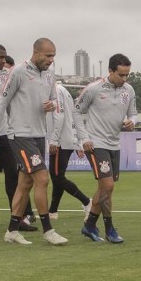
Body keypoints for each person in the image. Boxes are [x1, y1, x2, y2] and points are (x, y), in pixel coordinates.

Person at [0, 37, 67, 245]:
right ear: (36, 52)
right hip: (20, 134)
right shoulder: (19, 72)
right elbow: (2, 103)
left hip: (40, 134)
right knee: (42, 178)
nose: (51, 60)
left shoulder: (49, 76)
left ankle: (12, 230)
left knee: (25, 183)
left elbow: (54, 101)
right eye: (48, 56)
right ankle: (48, 230)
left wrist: (51, 105)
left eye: (54, 56)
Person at [76, 53, 138, 243]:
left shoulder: (129, 90)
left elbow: (134, 113)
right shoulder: (94, 89)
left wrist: (131, 122)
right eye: (121, 75)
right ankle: (109, 228)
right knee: (108, 185)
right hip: (96, 143)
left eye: (127, 74)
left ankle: (89, 225)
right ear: (110, 71)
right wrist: (83, 137)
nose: (125, 79)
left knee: (106, 190)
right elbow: (76, 111)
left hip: (114, 144)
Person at [0, 44, 36, 232]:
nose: (4, 61)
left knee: (13, 176)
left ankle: (17, 219)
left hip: (5, 134)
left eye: (5, 58)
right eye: (1, 58)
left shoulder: (7, 75)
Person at [46, 80, 91, 219]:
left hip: (60, 141)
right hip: (65, 139)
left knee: (58, 177)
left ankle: (87, 201)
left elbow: (59, 116)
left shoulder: (56, 90)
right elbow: (71, 117)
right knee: (57, 177)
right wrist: (77, 143)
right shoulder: (63, 91)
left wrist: (53, 140)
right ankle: (53, 211)